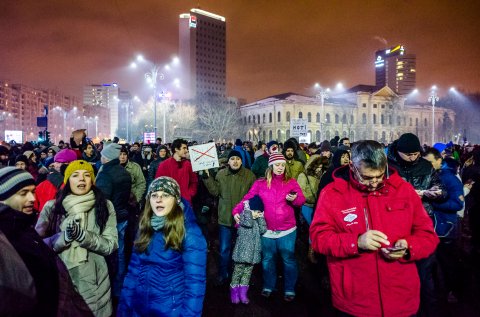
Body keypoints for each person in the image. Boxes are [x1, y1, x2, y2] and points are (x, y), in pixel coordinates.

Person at [310, 140, 439, 317]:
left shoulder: (404, 191)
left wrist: (409, 246)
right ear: (352, 167)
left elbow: (428, 235)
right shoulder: (332, 194)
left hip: (401, 298)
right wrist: (355, 242)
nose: (374, 183)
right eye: (367, 177)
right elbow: (319, 238)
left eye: (380, 176)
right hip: (354, 301)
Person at [36, 160, 118, 317]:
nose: (82, 179)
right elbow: (38, 246)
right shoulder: (52, 207)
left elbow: (111, 244)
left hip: (94, 284)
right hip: (59, 279)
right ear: (67, 181)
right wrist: (62, 238)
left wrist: (84, 237)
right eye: (76, 175)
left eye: (87, 175)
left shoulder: (105, 206)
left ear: (92, 180)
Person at [118, 177, 207, 317]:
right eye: (154, 195)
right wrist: (124, 308)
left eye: (165, 195)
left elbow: (195, 284)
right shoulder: (144, 227)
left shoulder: (190, 232)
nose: (159, 199)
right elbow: (133, 271)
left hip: (170, 310)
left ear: (176, 200)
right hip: (139, 307)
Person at [233, 152, 306, 301]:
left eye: (283, 165)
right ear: (271, 166)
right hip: (266, 230)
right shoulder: (260, 183)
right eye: (277, 165)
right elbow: (248, 199)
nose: (280, 168)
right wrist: (236, 210)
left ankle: (289, 288)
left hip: (287, 230)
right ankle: (268, 286)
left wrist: (295, 198)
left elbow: (301, 200)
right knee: (267, 259)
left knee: (288, 259)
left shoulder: (291, 182)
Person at [202, 150, 256, 285]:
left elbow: (254, 196)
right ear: (229, 161)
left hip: (243, 219)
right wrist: (207, 177)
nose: (235, 161)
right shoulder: (221, 174)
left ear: (242, 161)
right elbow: (215, 191)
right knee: (224, 249)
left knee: (241, 250)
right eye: (233, 159)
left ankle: (239, 276)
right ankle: (223, 273)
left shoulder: (249, 176)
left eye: (238, 159)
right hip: (225, 218)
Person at [95, 143, 132, 299]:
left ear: (106, 157)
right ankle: (120, 286)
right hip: (123, 216)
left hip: (110, 219)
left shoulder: (105, 174)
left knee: (109, 253)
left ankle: (111, 289)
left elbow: (102, 200)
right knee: (121, 253)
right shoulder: (124, 172)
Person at [230, 196, 267, 304]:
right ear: (249, 209)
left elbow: (263, 229)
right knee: (237, 273)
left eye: (259, 211)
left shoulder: (256, 220)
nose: (256, 213)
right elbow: (248, 223)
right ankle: (234, 293)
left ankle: (243, 293)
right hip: (241, 254)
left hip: (252, 256)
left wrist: (260, 217)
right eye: (255, 210)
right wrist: (247, 211)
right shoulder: (243, 218)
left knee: (247, 275)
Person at [155, 138, 198, 204]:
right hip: (169, 203)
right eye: (184, 148)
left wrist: (189, 193)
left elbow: (194, 181)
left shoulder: (188, 164)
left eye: (186, 148)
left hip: (185, 202)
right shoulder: (164, 165)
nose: (186, 150)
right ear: (176, 149)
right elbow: (158, 183)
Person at [34, 149, 78, 213]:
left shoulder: (79, 182)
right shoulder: (43, 184)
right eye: (57, 162)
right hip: (46, 221)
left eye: (64, 162)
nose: (59, 165)